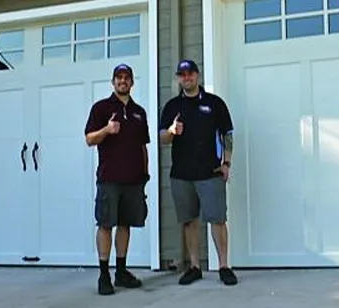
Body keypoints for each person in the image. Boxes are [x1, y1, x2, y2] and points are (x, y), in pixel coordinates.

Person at [159, 59, 238, 286]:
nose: (187, 78)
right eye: (182, 74)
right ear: (178, 78)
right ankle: (194, 266)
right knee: (189, 221)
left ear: (198, 76)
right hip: (181, 175)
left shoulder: (214, 103)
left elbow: (228, 135)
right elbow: (162, 137)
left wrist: (227, 163)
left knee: (218, 220)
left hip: (211, 173)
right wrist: (172, 131)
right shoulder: (173, 106)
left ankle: (224, 266)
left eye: (190, 73)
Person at [84, 63, 151, 295]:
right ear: (113, 82)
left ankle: (121, 272)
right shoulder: (101, 108)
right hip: (109, 178)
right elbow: (89, 139)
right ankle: (104, 274)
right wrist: (106, 130)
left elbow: (143, 146)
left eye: (127, 78)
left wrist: (145, 174)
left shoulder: (139, 112)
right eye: (118, 77)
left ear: (132, 82)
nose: (123, 81)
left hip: (134, 180)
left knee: (125, 224)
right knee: (105, 224)